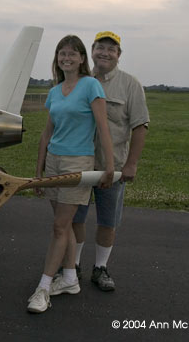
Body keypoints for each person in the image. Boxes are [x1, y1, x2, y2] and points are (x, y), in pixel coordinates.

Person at [27, 35, 115, 314]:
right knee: (61, 225)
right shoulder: (54, 92)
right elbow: (47, 133)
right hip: (53, 161)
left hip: (78, 163)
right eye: (61, 54)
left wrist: (109, 166)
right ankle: (69, 279)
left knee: (59, 227)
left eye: (72, 54)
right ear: (57, 59)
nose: (66, 58)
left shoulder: (91, 85)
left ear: (81, 59)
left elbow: (103, 129)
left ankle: (43, 287)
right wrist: (39, 168)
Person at [72, 31, 149, 291]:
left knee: (107, 221)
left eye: (111, 49)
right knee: (75, 219)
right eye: (100, 48)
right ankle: (72, 267)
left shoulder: (130, 85)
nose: (105, 53)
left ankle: (100, 268)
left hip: (112, 168)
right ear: (91, 51)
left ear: (119, 55)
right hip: (79, 165)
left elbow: (140, 126)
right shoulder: (80, 81)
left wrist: (131, 164)